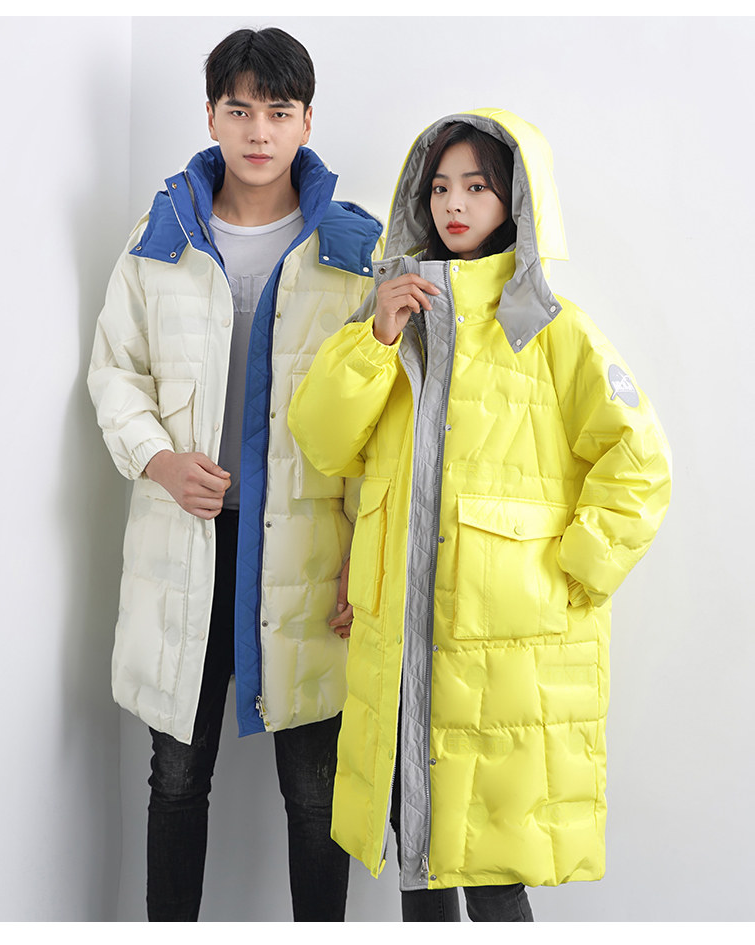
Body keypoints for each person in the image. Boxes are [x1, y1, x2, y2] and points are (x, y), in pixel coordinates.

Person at [289, 109, 672, 921]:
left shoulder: (552, 332)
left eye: (476, 187)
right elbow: (322, 440)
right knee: (417, 855)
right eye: (438, 187)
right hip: (400, 644)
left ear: (515, 201)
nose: (453, 205)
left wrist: (574, 573)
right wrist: (377, 337)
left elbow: (639, 462)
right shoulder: (392, 320)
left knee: (493, 871)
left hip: (504, 647)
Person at [88, 27, 382, 921]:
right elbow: (115, 372)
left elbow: (381, 421)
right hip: (187, 540)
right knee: (177, 776)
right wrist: (160, 460)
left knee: (316, 788)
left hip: (308, 547)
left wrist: (361, 554)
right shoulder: (162, 235)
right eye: (240, 109)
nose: (259, 131)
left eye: (279, 112)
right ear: (211, 115)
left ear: (306, 122)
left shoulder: (352, 248)